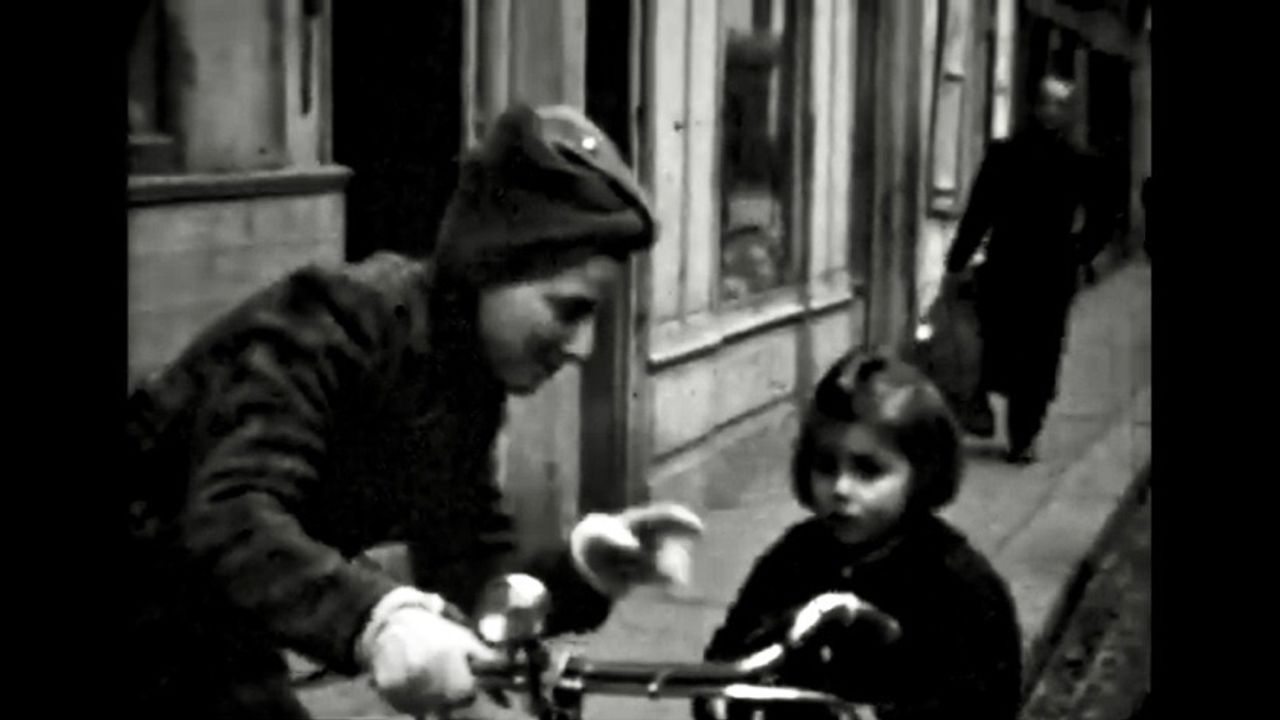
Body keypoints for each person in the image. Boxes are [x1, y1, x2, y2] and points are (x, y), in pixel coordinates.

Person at [124, 104, 704, 719]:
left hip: (202, 627)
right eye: (568, 309)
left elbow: (469, 569)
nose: (583, 348)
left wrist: (581, 570)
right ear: (492, 265)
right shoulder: (335, 320)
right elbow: (232, 515)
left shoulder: (465, 379)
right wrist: (380, 620)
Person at [695, 350, 1022, 720]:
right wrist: (720, 696)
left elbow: (984, 702)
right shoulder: (795, 556)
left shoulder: (957, 583)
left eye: (868, 471)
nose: (841, 488)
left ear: (922, 473)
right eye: (825, 467)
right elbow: (731, 655)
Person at [944, 74, 1108, 464]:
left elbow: (1102, 218)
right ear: (1033, 106)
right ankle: (1002, 419)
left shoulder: (1076, 162)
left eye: (1058, 104)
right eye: (1045, 102)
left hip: (1039, 269)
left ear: (1067, 113)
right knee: (1009, 346)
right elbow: (979, 211)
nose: (1050, 111)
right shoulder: (1011, 154)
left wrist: (1080, 253)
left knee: (1032, 354)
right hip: (1018, 268)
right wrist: (958, 258)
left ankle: (1022, 433)